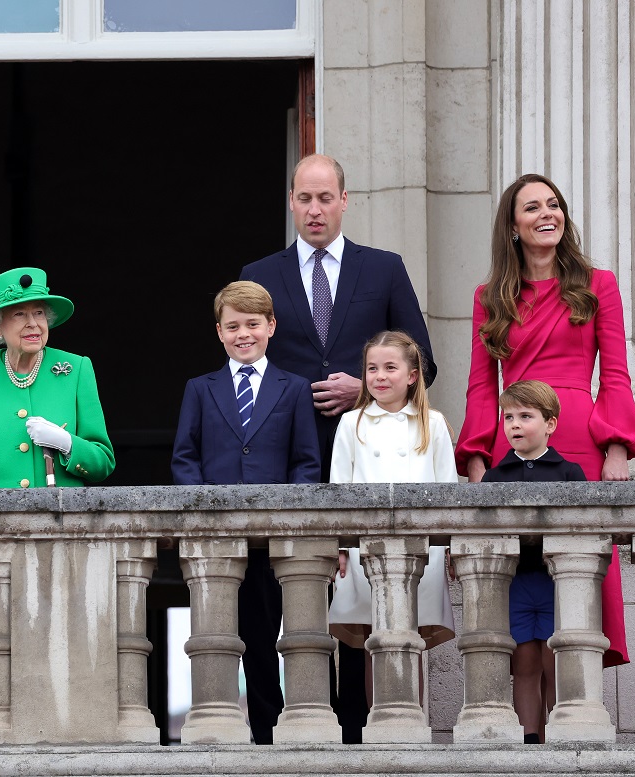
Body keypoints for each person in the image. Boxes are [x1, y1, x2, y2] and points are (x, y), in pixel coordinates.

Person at [240, 153, 436, 740]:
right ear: (292, 202)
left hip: (366, 454)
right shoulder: (261, 273)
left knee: (355, 588)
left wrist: (364, 388)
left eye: (326, 198)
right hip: (279, 457)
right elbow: (242, 359)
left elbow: (426, 362)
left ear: (345, 201)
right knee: (268, 587)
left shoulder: (383, 269)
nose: (316, 209)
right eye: (305, 198)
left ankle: (354, 722)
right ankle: (269, 726)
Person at [455, 173, 635, 667]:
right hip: (512, 444)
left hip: (578, 439)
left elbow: (616, 374)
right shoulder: (489, 296)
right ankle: (528, 728)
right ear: (513, 226)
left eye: (554, 204)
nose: (547, 214)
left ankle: (579, 714)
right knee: (519, 585)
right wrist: (478, 462)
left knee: (580, 576)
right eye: (533, 207)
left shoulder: (597, 285)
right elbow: (481, 386)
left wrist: (618, 449)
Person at [0, 267, 115, 681]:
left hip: (61, 548)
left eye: (39, 313)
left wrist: (67, 443)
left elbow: (103, 459)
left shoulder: (76, 370)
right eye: (20, 315)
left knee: (62, 669)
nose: (33, 323)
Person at [171, 280, 320, 744]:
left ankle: (269, 738)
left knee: (264, 639)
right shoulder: (200, 388)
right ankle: (217, 732)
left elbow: (306, 462)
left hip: (273, 542)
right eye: (233, 326)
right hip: (217, 542)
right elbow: (184, 457)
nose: (243, 334)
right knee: (214, 641)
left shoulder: (293, 389)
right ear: (219, 332)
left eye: (253, 324)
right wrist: (205, 515)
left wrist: (289, 523)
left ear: (270, 326)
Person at [327, 331, 456, 707]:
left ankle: (411, 720)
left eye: (389, 367)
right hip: (364, 549)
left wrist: (445, 548)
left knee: (410, 639)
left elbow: (447, 491)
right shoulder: (352, 423)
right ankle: (379, 723)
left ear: (412, 375)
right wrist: (341, 545)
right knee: (374, 641)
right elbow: (339, 490)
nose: (379, 376)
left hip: (421, 550)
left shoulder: (432, 423)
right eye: (371, 368)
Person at [482, 380, 586, 744]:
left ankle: (560, 735)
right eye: (508, 416)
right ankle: (529, 738)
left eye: (525, 416)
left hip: (557, 583)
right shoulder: (495, 476)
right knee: (524, 664)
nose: (514, 424)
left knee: (554, 662)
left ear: (550, 424)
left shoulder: (569, 472)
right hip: (515, 583)